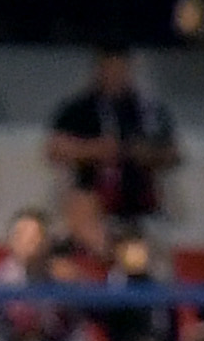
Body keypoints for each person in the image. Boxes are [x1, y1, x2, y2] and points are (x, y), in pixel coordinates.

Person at [46, 44, 179, 234]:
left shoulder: (149, 110)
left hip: (140, 198)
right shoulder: (79, 109)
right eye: (109, 68)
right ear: (98, 70)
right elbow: (55, 149)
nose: (114, 75)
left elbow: (173, 152)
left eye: (120, 69)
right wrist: (95, 150)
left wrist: (145, 153)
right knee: (79, 209)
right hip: (93, 196)